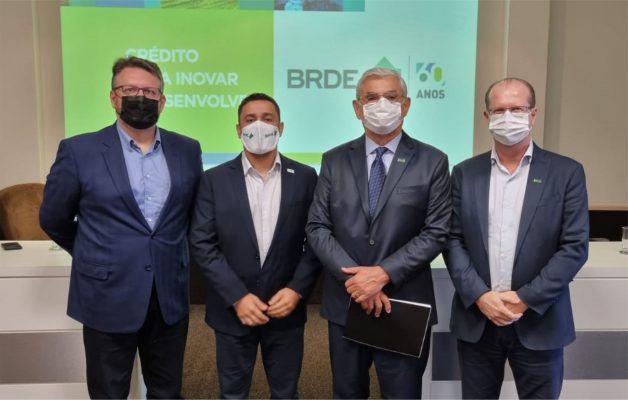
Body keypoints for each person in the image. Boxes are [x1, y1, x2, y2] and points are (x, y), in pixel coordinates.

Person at [39, 56, 202, 399]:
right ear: (113, 97)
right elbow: (53, 218)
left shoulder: (187, 149)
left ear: (162, 100)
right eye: (130, 89)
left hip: (168, 294)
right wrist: (94, 251)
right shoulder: (79, 150)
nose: (140, 97)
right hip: (106, 293)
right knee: (109, 392)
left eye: (149, 91)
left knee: (167, 391)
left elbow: (192, 215)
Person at [306, 67, 452, 398]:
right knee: (347, 393)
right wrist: (358, 282)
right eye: (371, 98)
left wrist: (382, 274)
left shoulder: (432, 161)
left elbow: (436, 231)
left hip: (404, 304)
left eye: (391, 96)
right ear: (357, 108)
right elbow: (317, 227)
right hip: (347, 301)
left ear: (406, 104)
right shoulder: (334, 160)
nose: (381, 104)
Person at [443, 77, 589, 399]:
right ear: (487, 117)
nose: (507, 117)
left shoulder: (566, 173)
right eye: (499, 110)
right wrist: (481, 296)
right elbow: (452, 240)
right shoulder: (465, 173)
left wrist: (525, 298)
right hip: (478, 320)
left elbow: (574, 248)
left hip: (539, 320)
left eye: (517, 109)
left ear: (533, 115)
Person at [189, 93, 321, 399]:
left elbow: (315, 239)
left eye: (267, 119)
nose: (259, 125)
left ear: (280, 127)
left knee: (286, 393)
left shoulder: (305, 176)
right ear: (238, 129)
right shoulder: (213, 179)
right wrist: (237, 296)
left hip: (286, 308)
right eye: (250, 120)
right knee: (233, 393)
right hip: (232, 310)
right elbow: (202, 242)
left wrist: (296, 290)